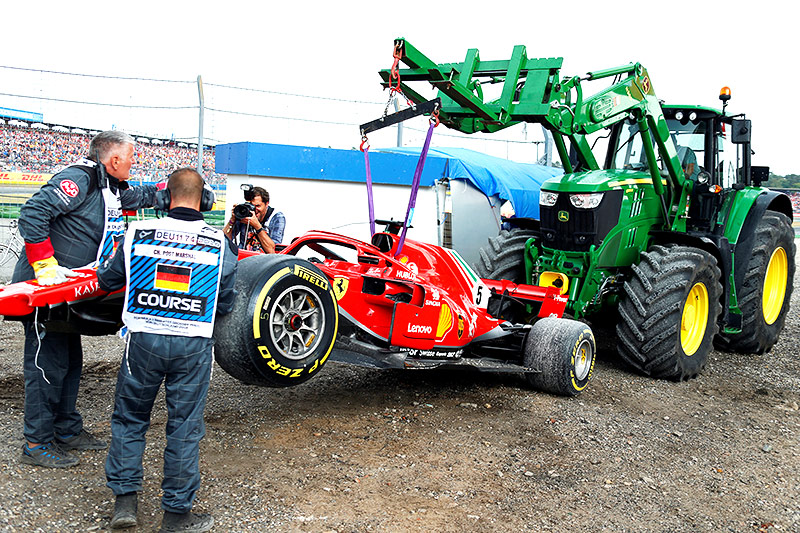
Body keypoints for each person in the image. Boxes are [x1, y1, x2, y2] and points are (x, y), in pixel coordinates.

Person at [97, 168, 237, 532]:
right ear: (206, 201)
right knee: (185, 428)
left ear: (164, 199)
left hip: (143, 342)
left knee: (129, 420)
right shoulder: (219, 243)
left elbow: (109, 280)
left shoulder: (137, 233)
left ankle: (125, 503)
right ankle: (176, 516)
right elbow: (225, 302)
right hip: (192, 346)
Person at [15, 130, 159, 469]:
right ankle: (36, 443)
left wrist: (181, 193)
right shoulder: (78, 179)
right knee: (46, 366)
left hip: (69, 293)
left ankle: (66, 429)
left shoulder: (107, 186)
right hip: (43, 291)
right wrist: (45, 264)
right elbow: (33, 214)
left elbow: (135, 198)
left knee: (70, 363)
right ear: (114, 160)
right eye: (131, 157)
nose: (134, 163)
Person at [222, 185, 285, 253]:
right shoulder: (245, 213)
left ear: (266, 204)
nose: (254, 210)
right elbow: (223, 240)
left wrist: (257, 226)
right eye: (251, 206)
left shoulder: (276, 217)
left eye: (257, 206)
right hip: (243, 256)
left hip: (264, 260)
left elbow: (272, 251)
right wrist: (232, 220)